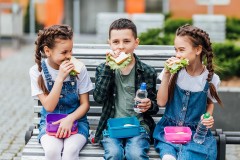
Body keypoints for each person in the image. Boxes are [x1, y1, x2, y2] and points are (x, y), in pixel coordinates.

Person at [153, 24, 223, 160]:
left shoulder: (211, 79)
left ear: (197, 50)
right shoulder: (173, 72)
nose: (177, 55)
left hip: (195, 133)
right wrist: (167, 74)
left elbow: (210, 103)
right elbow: (161, 102)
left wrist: (207, 117)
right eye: (176, 50)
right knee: (168, 154)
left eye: (181, 50)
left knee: (190, 154)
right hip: (169, 130)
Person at [93, 18, 159, 159]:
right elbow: (99, 98)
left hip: (139, 126)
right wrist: (107, 68)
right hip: (112, 126)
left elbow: (155, 107)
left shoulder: (147, 71)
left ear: (136, 42)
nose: (121, 46)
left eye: (127, 41)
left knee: (135, 154)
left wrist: (149, 105)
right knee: (114, 153)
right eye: (116, 42)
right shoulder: (103, 68)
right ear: (109, 43)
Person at [29, 25, 93, 160]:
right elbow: (49, 106)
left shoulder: (80, 69)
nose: (69, 56)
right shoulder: (36, 71)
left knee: (70, 152)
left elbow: (85, 104)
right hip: (50, 123)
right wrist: (60, 78)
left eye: (71, 51)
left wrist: (70, 119)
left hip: (76, 121)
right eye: (64, 52)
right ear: (48, 51)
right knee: (52, 151)